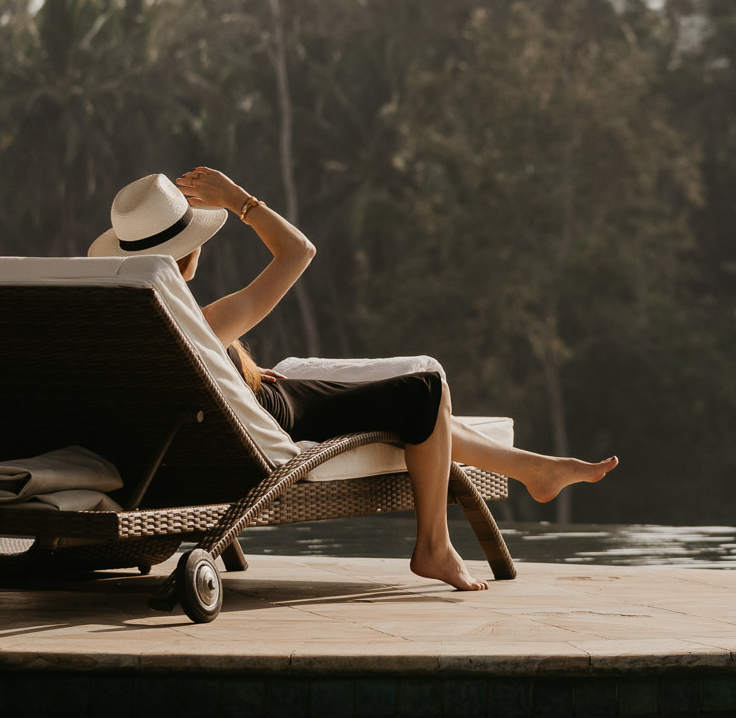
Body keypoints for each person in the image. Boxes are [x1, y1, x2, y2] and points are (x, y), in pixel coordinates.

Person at [89, 168, 616, 591]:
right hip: (273, 418)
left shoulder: (130, 322)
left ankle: (533, 469)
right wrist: (237, 199)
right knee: (426, 389)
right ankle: (434, 546)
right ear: (190, 252)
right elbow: (299, 252)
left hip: (243, 409)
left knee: (420, 410)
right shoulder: (202, 323)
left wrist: (229, 367)